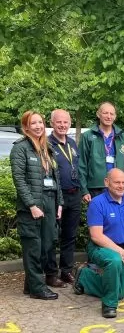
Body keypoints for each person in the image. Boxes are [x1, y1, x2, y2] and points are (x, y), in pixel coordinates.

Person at [73, 168, 124, 319]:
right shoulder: (97, 203)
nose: (121, 186)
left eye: (123, 182)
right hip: (100, 247)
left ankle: (85, 277)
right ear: (107, 182)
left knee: (120, 293)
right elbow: (96, 236)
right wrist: (121, 251)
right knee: (115, 261)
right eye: (117, 182)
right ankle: (109, 305)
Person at [10, 111, 64, 299]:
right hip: (32, 205)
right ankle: (37, 288)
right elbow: (19, 179)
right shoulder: (20, 148)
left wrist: (60, 203)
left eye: (40, 122)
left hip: (50, 202)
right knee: (33, 247)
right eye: (33, 123)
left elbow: (56, 178)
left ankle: (30, 284)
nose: (38, 126)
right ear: (26, 127)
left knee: (46, 246)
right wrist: (31, 205)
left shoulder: (47, 148)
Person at [48, 109, 82, 284]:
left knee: (70, 235)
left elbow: (78, 168)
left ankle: (66, 271)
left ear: (70, 123)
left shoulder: (72, 143)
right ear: (52, 123)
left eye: (66, 122)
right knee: (53, 236)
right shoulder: (47, 144)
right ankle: (51, 273)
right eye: (59, 122)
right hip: (55, 198)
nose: (62, 125)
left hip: (74, 195)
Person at [78, 102, 124, 202]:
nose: (109, 116)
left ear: (115, 116)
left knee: (116, 216)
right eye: (105, 113)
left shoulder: (122, 137)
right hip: (96, 187)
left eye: (112, 114)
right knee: (97, 216)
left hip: (117, 186)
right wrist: (84, 190)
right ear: (98, 114)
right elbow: (81, 164)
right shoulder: (87, 136)